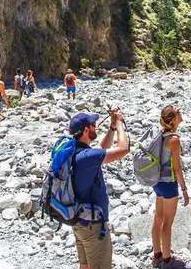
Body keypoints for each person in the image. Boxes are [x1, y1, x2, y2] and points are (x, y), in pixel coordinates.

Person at [68, 109, 129, 269]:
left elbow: (101, 149)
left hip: (79, 221)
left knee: (85, 266)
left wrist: (112, 128)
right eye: (93, 125)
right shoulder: (87, 157)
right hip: (93, 225)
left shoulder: (75, 152)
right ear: (86, 130)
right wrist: (121, 124)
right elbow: (123, 149)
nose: (96, 127)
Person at [149, 105, 189, 269]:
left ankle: (157, 255)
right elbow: (177, 169)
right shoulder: (174, 140)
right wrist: (184, 190)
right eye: (179, 112)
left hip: (157, 182)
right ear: (173, 119)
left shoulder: (160, 134)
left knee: (158, 218)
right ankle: (167, 260)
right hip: (168, 184)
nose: (181, 114)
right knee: (168, 222)